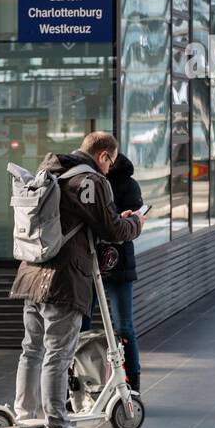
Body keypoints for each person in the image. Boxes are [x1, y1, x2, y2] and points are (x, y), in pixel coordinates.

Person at [10, 132, 143, 428]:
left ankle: (25, 423)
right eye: (110, 162)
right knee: (58, 354)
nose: (110, 169)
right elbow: (111, 229)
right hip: (65, 280)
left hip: (31, 273)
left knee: (32, 349)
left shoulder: (50, 171)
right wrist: (135, 223)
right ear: (104, 156)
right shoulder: (89, 181)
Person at [82, 152, 144, 393]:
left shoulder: (127, 184)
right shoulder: (90, 181)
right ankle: (80, 381)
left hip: (117, 263)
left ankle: (132, 382)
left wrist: (121, 221)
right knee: (83, 325)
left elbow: (135, 222)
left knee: (123, 326)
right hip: (91, 262)